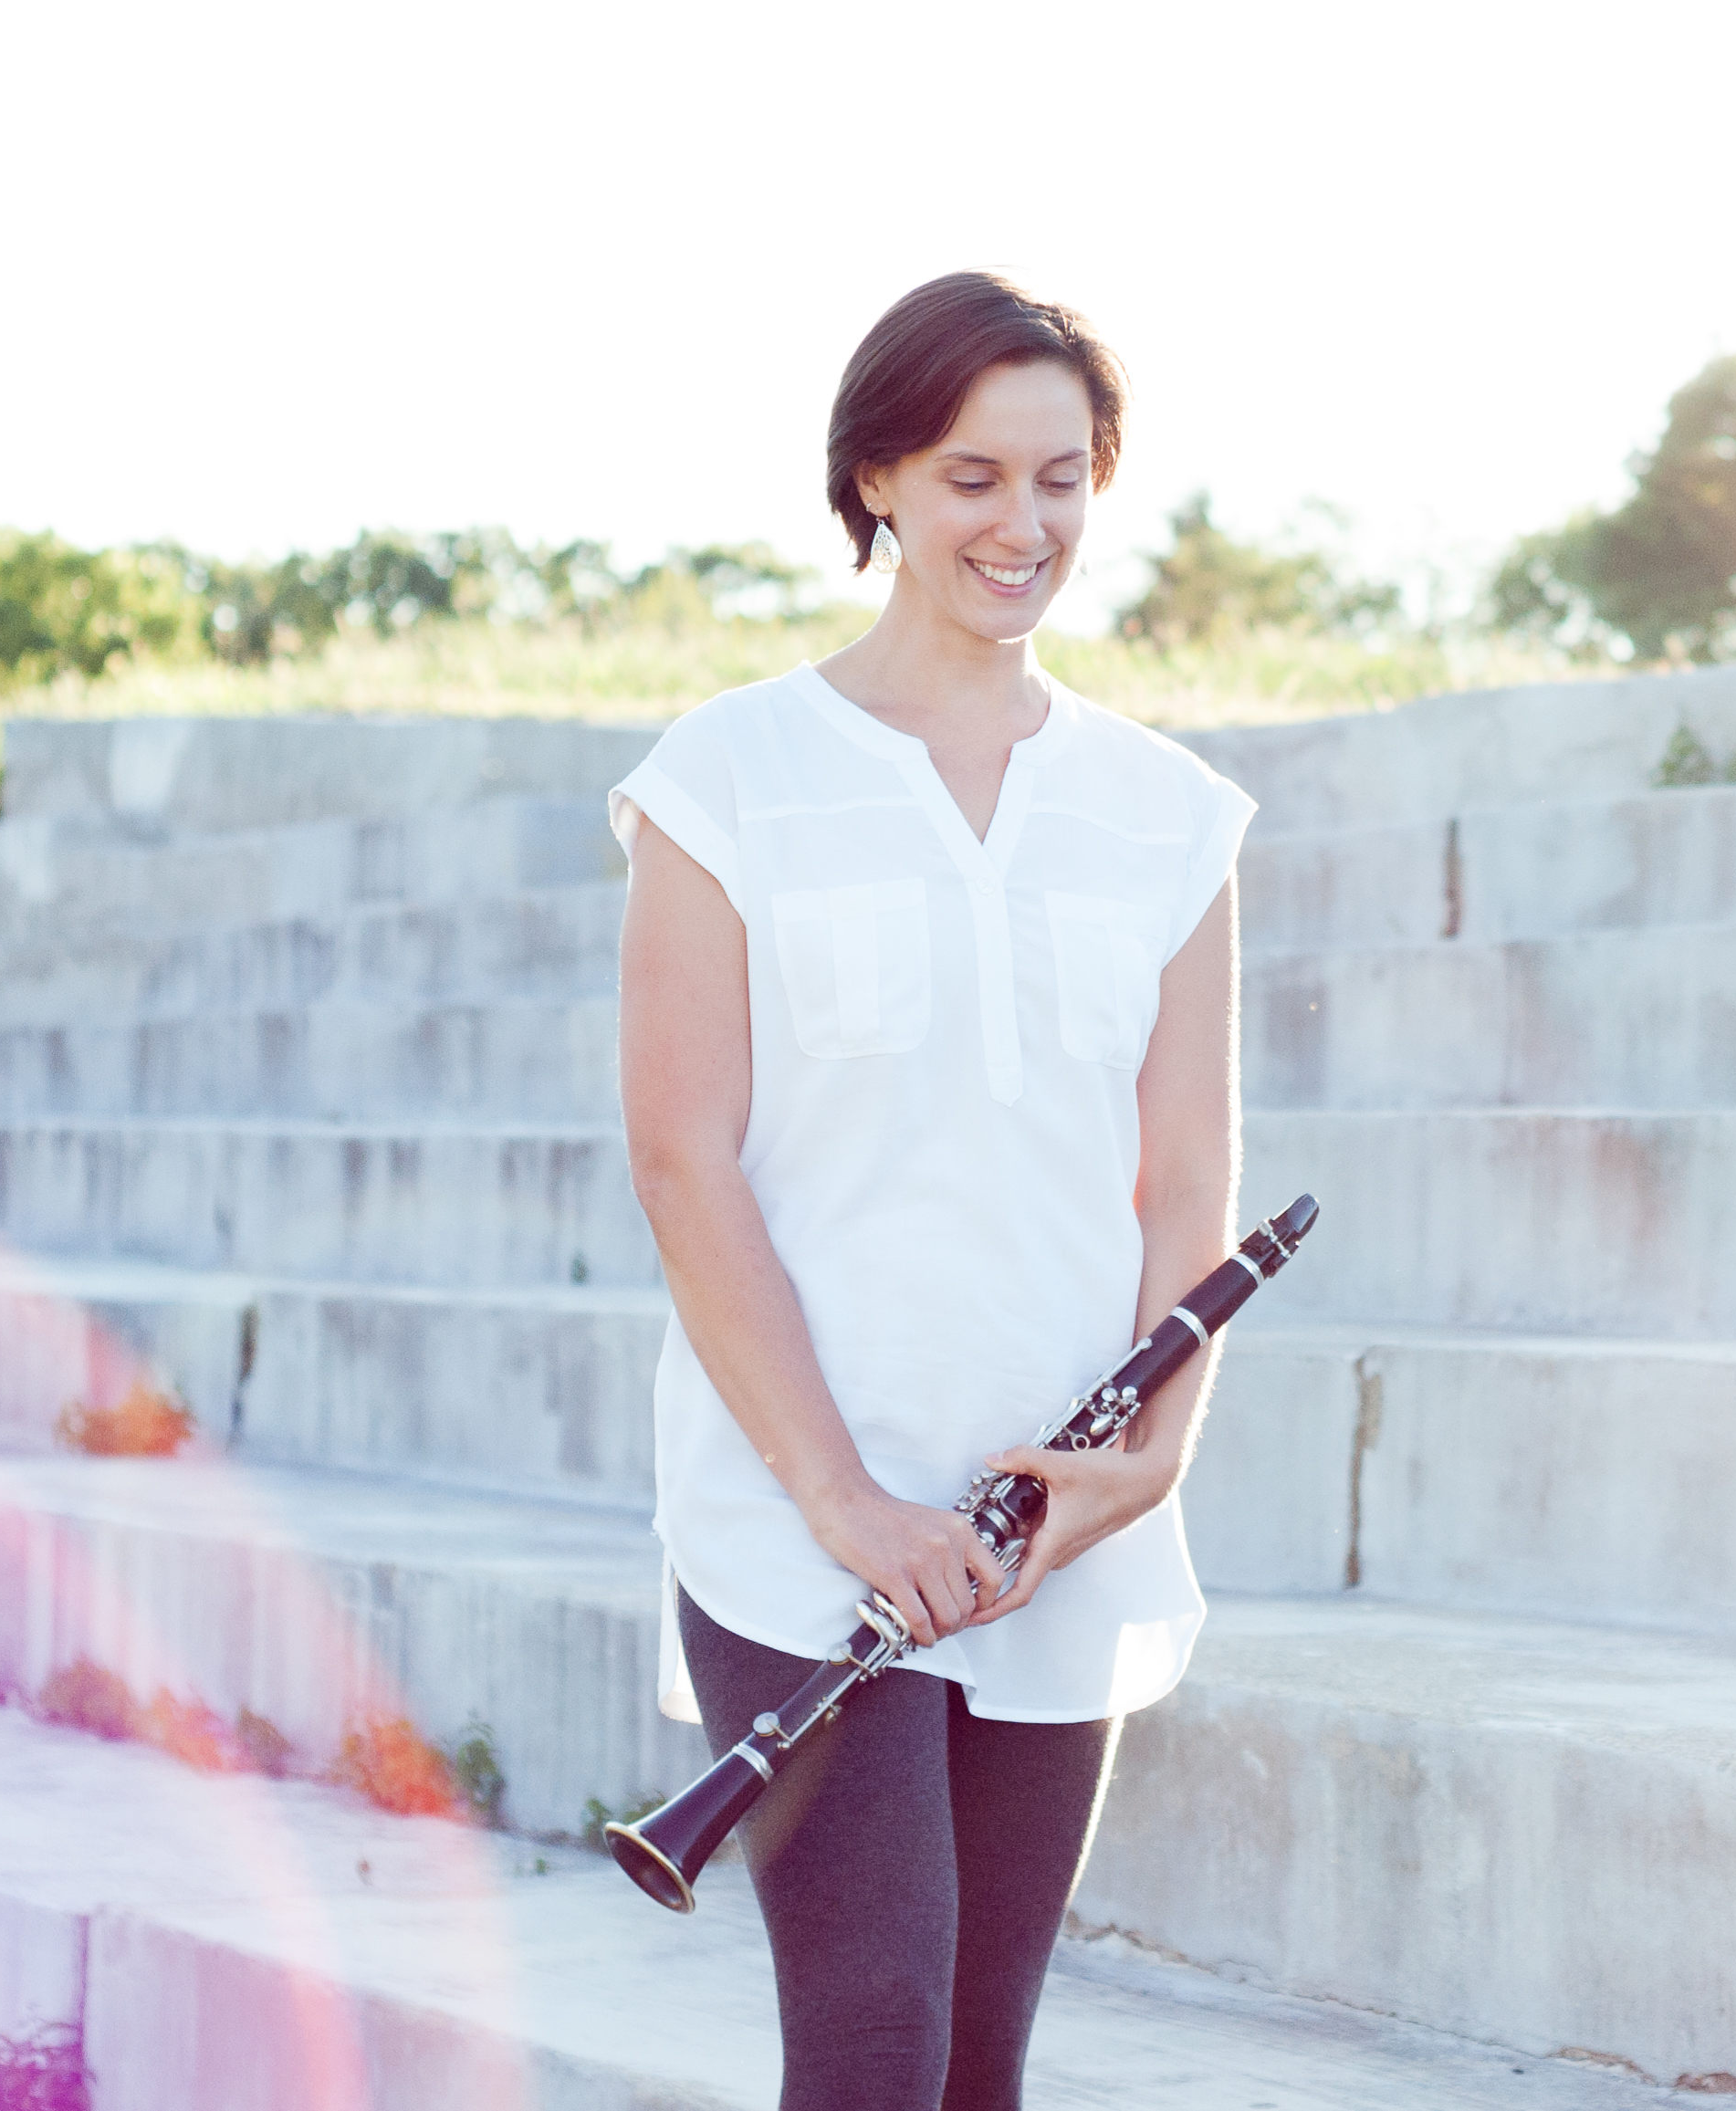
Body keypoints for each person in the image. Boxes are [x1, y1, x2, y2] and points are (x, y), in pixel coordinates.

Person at [607, 271, 1252, 2111]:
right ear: (876, 477)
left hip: (1049, 1517)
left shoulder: (1170, 813)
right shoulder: (730, 772)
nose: (1021, 524)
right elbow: (681, 1157)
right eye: (973, 476)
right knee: (874, 2047)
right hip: (801, 1513)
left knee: (977, 2068)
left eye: (1061, 478)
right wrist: (843, 1496)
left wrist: (1151, 1459)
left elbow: (1187, 1177)